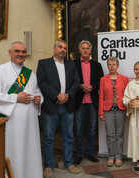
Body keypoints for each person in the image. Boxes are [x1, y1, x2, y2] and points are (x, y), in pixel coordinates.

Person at [0, 41, 43, 178]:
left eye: (23, 52)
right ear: (10, 53)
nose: (20, 54)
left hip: (30, 124)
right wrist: (15, 98)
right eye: (17, 51)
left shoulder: (31, 74)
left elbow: (37, 91)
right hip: (11, 123)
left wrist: (39, 99)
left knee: (29, 150)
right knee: (14, 150)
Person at [37, 40, 80, 177]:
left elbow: (76, 82)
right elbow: (42, 82)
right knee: (48, 137)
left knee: (68, 135)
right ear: (54, 49)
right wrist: (57, 95)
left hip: (67, 105)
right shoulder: (43, 63)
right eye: (60, 47)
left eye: (65, 48)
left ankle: (69, 163)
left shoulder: (71, 64)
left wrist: (66, 95)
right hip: (51, 105)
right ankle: (48, 165)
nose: (63, 50)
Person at [73, 40, 104, 165]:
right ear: (80, 50)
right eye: (83, 48)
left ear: (90, 51)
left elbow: (101, 81)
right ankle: (79, 154)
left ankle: (90, 153)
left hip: (92, 100)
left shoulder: (97, 65)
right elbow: (70, 80)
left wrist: (92, 87)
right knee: (79, 129)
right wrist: (80, 86)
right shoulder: (73, 64)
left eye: (87, 48)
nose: (85, 50)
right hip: (79, 100)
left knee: (92, 129)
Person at [98, 57, 128, 167]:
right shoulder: (103, 79)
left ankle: (119, 156)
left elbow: (127, 95)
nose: (111, 66)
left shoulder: (124, 79)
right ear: (107, 66)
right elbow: (101, 96)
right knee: (110, 135)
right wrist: (101, 112)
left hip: (121, 109)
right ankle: (111, 156)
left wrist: (128, 111)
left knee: (119, 134)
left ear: (117, 66)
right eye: (109, 64)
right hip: (108, 110)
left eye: (114, 64)